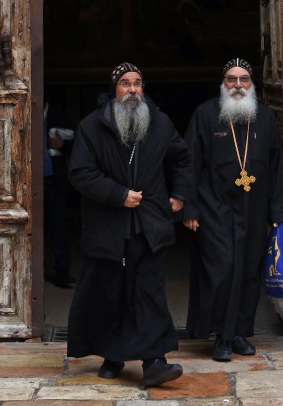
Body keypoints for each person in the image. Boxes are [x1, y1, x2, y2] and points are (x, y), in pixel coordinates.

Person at [66, 62, 193, 388]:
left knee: (148, 293)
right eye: (125, 83)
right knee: (112, 293)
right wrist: (118, 194)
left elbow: (182, 158)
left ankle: (155, 361)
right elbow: (80, 173)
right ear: (114, 90)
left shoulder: (160, 122)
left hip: (149, 225)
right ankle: (113, 355)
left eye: (138, 83)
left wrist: (179, 195)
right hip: (109, 227)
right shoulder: (91, 127)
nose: (133, 89)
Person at [182, 58, 283, 362]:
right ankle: (221, 336)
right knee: (223, 268)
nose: (238, 85)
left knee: (248, 271)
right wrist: (189, 206)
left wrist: (278, 213)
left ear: (252, 84)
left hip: (254, 208)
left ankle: (240, 333)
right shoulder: (205, 115)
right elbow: (189, 163)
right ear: (223, 83)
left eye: (244, 79)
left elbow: (276, 166)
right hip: (214, 206)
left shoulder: (265, 118)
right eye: (232, 79)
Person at [43, 103, 76, 288]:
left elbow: (77, 143)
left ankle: (62, 273)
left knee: (59, 226)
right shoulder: (22, 110)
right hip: (28, 181)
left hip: (55, 182)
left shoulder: (59, 116)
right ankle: (33, 272)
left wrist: (63, 146)